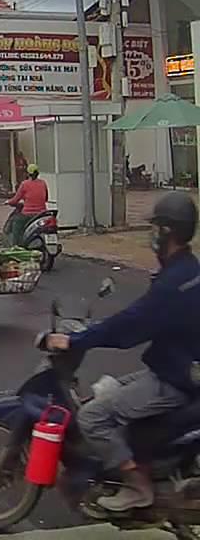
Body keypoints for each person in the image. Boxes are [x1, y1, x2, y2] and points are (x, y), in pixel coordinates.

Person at [45, 191, 200, 512]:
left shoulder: (173, 284)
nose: (151, 235)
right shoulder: (188, 269)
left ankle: (137, 487)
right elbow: (138, 318)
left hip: (174, 378)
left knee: (92, 417)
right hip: (176, 366)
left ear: (167, 231)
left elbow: (130, 326)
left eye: (155, 228)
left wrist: (78, 340)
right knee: (106, 389)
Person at [4, 164, 49, 246]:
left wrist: (8, 202)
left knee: (16, 224)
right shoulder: (43, 183)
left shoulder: (24, 184)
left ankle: (16, 245)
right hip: (42, 213)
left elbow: (15, 200)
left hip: (28, 214)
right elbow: (46, 198)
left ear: (28, 174)